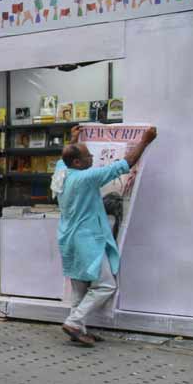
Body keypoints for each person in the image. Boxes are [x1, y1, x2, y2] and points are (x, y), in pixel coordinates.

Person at [53, 126, 157, 347]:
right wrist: (145, 141)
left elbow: (64, 156)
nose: (92, 157)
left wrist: (73, 139)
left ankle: (79, 328)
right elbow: (125, 164)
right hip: (86, 239)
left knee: (80, 289)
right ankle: (74, 321)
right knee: (105, 285)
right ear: (78, 163)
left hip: (68, 238)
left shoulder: (61, 170)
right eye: (88, 155)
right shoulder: (86, 178)